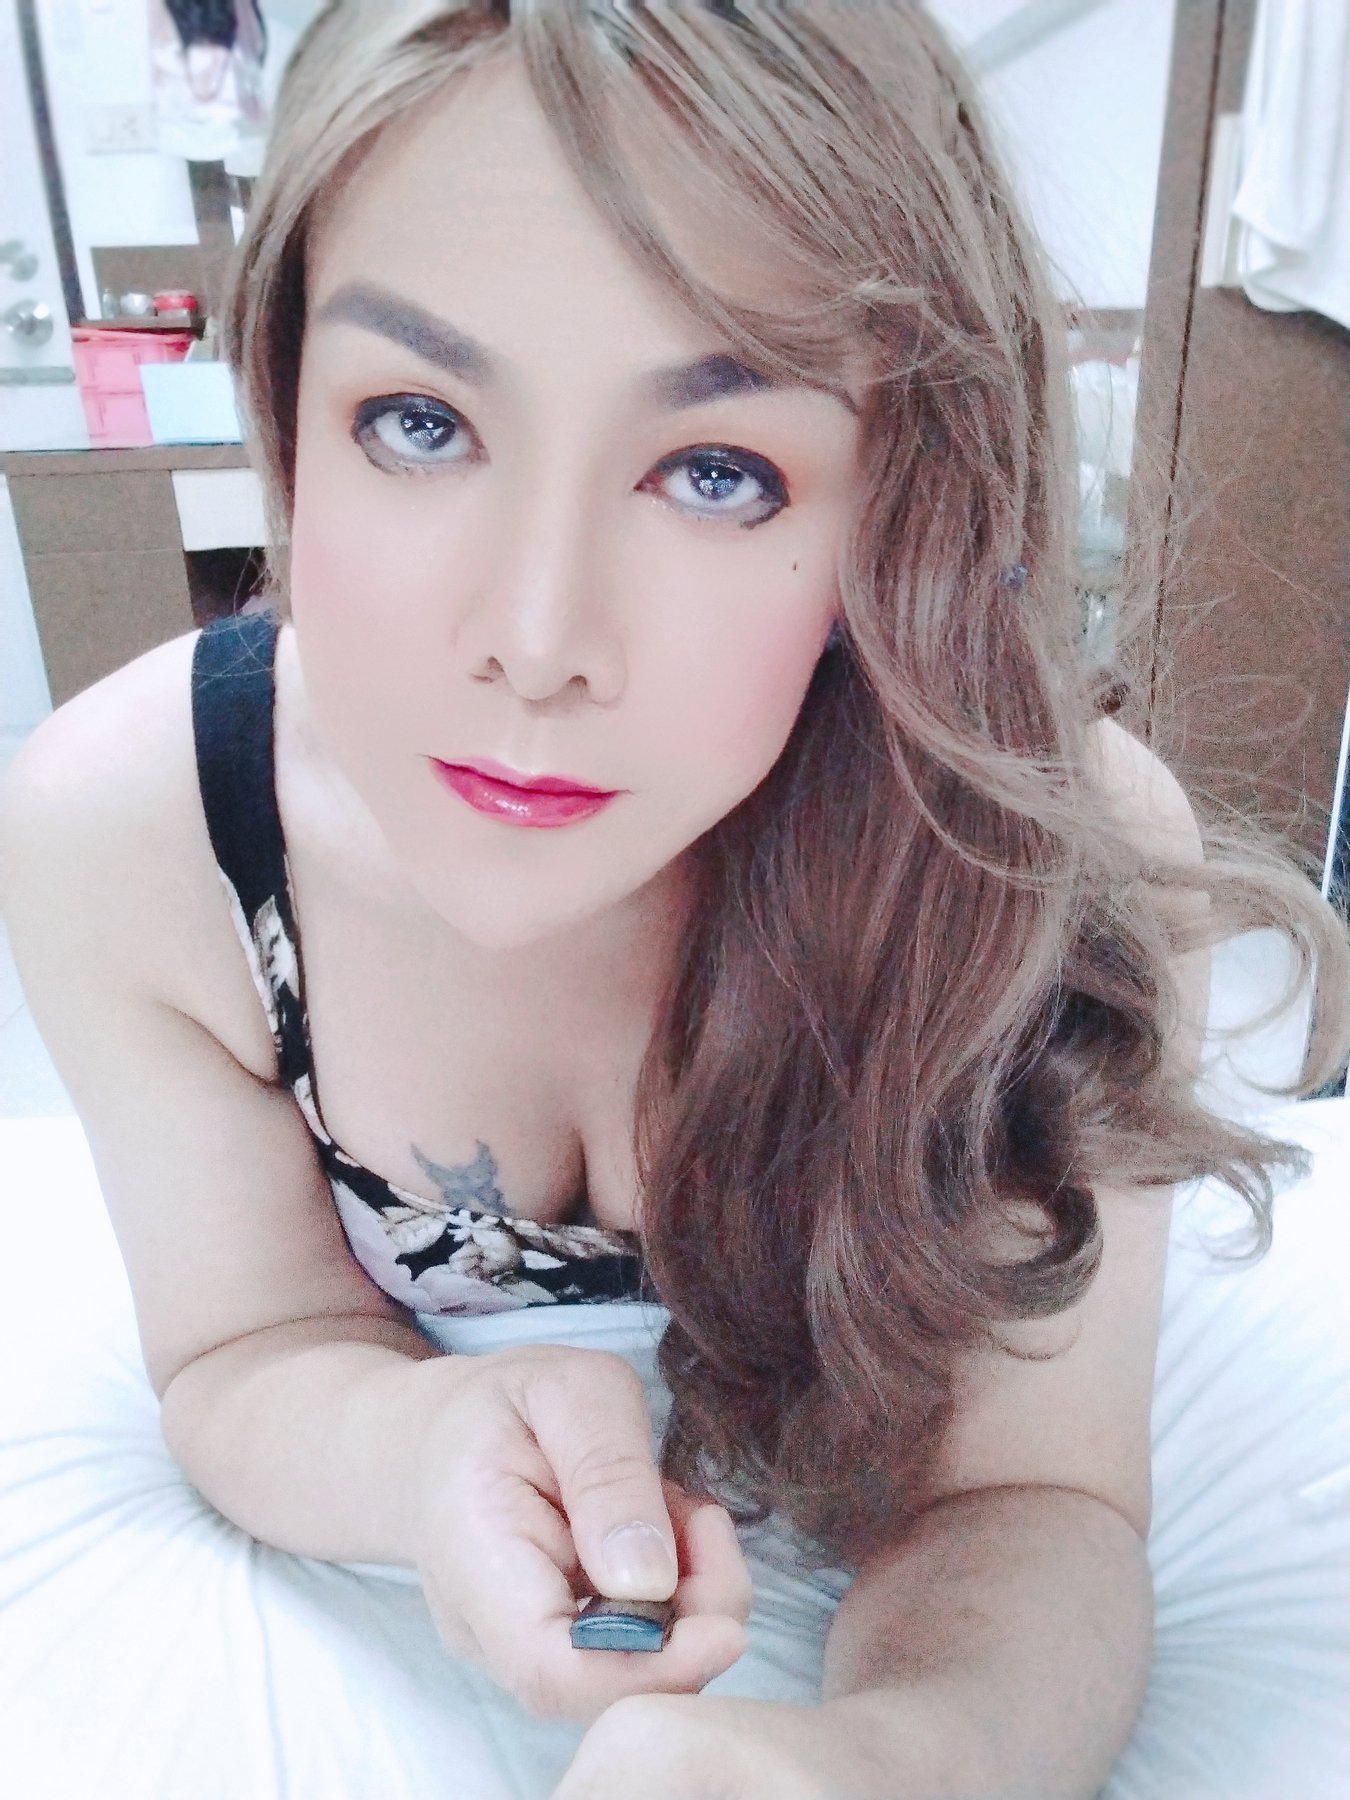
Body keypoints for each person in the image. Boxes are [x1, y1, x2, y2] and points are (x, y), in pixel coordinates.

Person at [3, 3, 1348, 1796]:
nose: (535, 638)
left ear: (900, 503)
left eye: (717, 473)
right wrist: (423, 1439)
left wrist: (883, 1760)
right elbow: (246, 1347)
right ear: (286, 409)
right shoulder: (144, 834)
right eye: (417, 420)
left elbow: (1024, 1492)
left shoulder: (1043, 866)